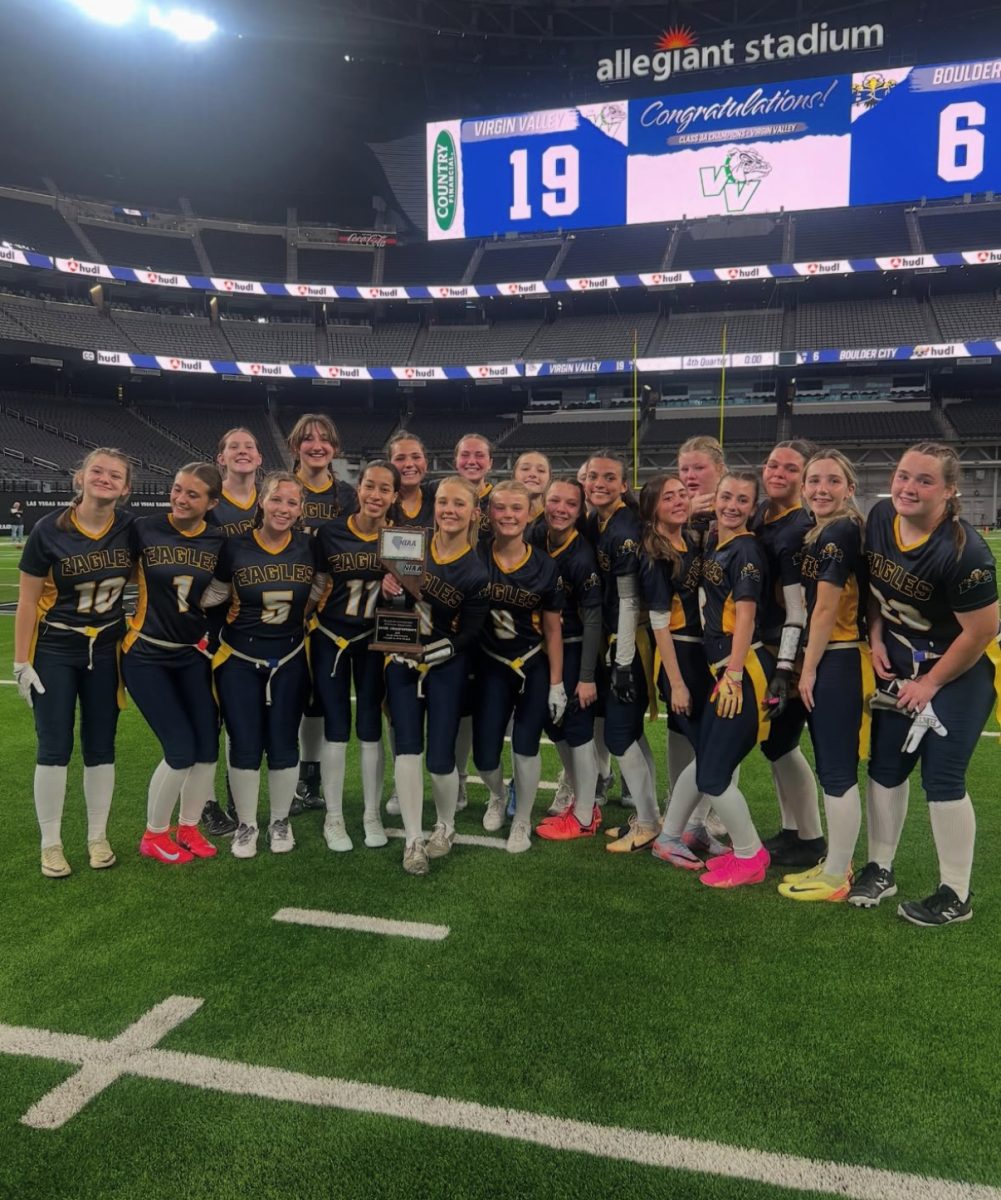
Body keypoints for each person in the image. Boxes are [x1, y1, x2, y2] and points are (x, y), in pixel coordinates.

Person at [849, 443, 999, 926]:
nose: (908, 487)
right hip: (899, 659)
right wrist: (874, 634)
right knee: (885, 767)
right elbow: (876, 588)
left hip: (959, 667)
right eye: (903, 476)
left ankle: (956, 894)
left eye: (924, 480)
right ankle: (880, 867)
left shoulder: (964, 551)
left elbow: (981, 631)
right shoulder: (879, 518)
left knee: (942, 778)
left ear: (950, 490)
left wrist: (931, 683)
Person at [14, 448, 134, 878]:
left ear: (126, 488)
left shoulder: (130, 529)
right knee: (54, 748)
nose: (105, 479)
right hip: (57, 649)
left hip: (106, 649)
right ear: (79, 478)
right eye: (96, 471)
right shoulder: (48, 530)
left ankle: (97, 837)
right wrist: (20, 662)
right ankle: (51, 843)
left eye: (114, 475)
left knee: (101, 746)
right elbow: (27, 602)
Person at [657, 472, 775, 888]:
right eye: (726, 496)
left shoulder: (744, 549)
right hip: (721, 668)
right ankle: (670, 834)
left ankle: (750, 855)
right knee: (704, 755)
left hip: (738, 669)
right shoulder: (714, 541)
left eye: (743, 500)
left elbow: (745, 616)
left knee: (713, 775)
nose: (732, 505)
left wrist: (735, 673)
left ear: (752, 506)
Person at [206, 472, 320, 859]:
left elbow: (321, 588)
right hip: (239, 658)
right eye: (276, 500)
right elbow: (216, 595)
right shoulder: (234, 547)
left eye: (291, 502)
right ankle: (247, 824)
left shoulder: (309, 547)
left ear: (301, 509)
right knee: (245, 743)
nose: (283, 509)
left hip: (289, 657)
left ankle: (279, 821)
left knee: (285, 744)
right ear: (262, 502)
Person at [383, 475, 490, 875]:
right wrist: (389, 587)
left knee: (441, 756)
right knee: (407, 749)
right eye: (443, 502)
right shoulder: (407, 545)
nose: (449, 510)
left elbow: (471, 634)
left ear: (474, 513)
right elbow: (392, 604)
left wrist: (431, 653)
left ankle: (445, 825)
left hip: (446, 664)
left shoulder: (476, 571)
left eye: (459, 504)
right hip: (401, 660)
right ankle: (413, 838)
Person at [777, 450, 871, 903]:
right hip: (834, 656)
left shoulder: (838, 530)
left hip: (838, 657)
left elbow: (828, 608)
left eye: (833, 481)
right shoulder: (827, 529)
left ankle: (837, 874)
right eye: (814, 481)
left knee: (837, 770)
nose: (821, 489)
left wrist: (807, 667)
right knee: (832, 766)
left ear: (849, 489)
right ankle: (837, 861)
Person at [123, 463, 227, 864]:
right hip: (146, 653)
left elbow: (224, 588)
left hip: (189, 654)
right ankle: (154, 834)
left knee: (206, 746)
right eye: (177, 489)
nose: (181, 499)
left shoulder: (218, 540)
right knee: (180, 749)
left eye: (193, 495)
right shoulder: (144, 528)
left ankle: (188, 827)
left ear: (211, 503)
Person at [639, 475, 727, 868]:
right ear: (653, 508)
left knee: (697, 743)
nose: (678, 502)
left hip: (702, 654)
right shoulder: (654, 553)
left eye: (681, 495)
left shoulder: (691, 540)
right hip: (678, 654)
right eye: (667, 498)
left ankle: (692, 827)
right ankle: (671, 834)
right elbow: (659, 622)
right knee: (710, 746)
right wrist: (675, 683)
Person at [473, 480, 566, 853]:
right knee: (484, 753)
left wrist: (557, 682)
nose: (509, 516)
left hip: (531, 665)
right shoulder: (475, 555)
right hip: (490, 663)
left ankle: (523, 818)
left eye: (517, 508)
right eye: (500, 508)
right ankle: (497, 795)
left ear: (530, 514)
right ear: (488, 514)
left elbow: (553, 628)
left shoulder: (545, 565)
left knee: (526, 746)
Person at [311, 461, 399, 853]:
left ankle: (370, 813)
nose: (376, 495)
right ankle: (334, 816)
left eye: (384, 489)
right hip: (331, 636)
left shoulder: (401, 539)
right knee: (335, 725)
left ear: (394, 496)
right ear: (358, 489)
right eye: (369, 486)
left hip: (372, 642)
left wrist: (399, 589)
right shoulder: (330, 533)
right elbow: (313, 590)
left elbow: (413, 597)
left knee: (369, 726)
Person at [582, 452, 661, 852]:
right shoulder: (600, 521)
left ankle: (647, 822)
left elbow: (630, 600)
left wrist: (624, 663)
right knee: (632, 734)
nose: (599, 483)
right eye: (593, 476)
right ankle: (650, 814)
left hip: (629, 641)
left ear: (623, 485)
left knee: (619, 735)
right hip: (619, 638)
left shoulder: (623, 529)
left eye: (609, 477)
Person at [754, 439, 827, 868]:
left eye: (789, 468)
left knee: (783, 743)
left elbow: (796, 609)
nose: (777, 473)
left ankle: (812, 837)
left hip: (788, 648)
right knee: (775, 746)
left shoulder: (798, 527)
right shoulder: (765, 513)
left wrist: (787, 666)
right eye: (771, 464)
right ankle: (791, 830)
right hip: (767, 641)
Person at [287, 413, 358, 813]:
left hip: (332, 610)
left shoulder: (347, 496)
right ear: (296, 446)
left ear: (334, 448)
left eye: (325, 439)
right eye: (308, 439)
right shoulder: (281, 490)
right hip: (286, 605)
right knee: (291, 697)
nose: (317, 445)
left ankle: (307, 780)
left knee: (317, 700)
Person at [200, 426, 265, 837]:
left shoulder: (271, 501)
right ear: (220, 458)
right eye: (233, 447)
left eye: (250, 446)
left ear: (260, 458)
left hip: (256, 625)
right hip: (210, 621)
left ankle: (235, 794)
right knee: (210, 715)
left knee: (246, 715)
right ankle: (206, 803)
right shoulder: (208, 503)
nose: (243, 452)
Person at [534, 477, 604, 841]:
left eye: (570, 504)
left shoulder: (581, 555)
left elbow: (593, 618)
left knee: (578, 729)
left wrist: (587, 675)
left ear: (581, 510)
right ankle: (584, 800)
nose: (561, 509)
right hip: (544, 647)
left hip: (575, 646)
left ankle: (584, 814)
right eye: (554, 501)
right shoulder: (536, 535)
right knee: (554, 724)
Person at [388, 432, 436, 529]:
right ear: (390, 466)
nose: (409, 464)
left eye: (416, 457)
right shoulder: (380, 502)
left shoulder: (439, 497)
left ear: (426, 463)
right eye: (400, 458)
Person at [513, 451, 552, 528]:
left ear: (549, 479)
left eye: (541, 470)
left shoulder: (556, 517)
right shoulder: (499, 515)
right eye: (525, 469)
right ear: (514, 476)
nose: (533, 474)